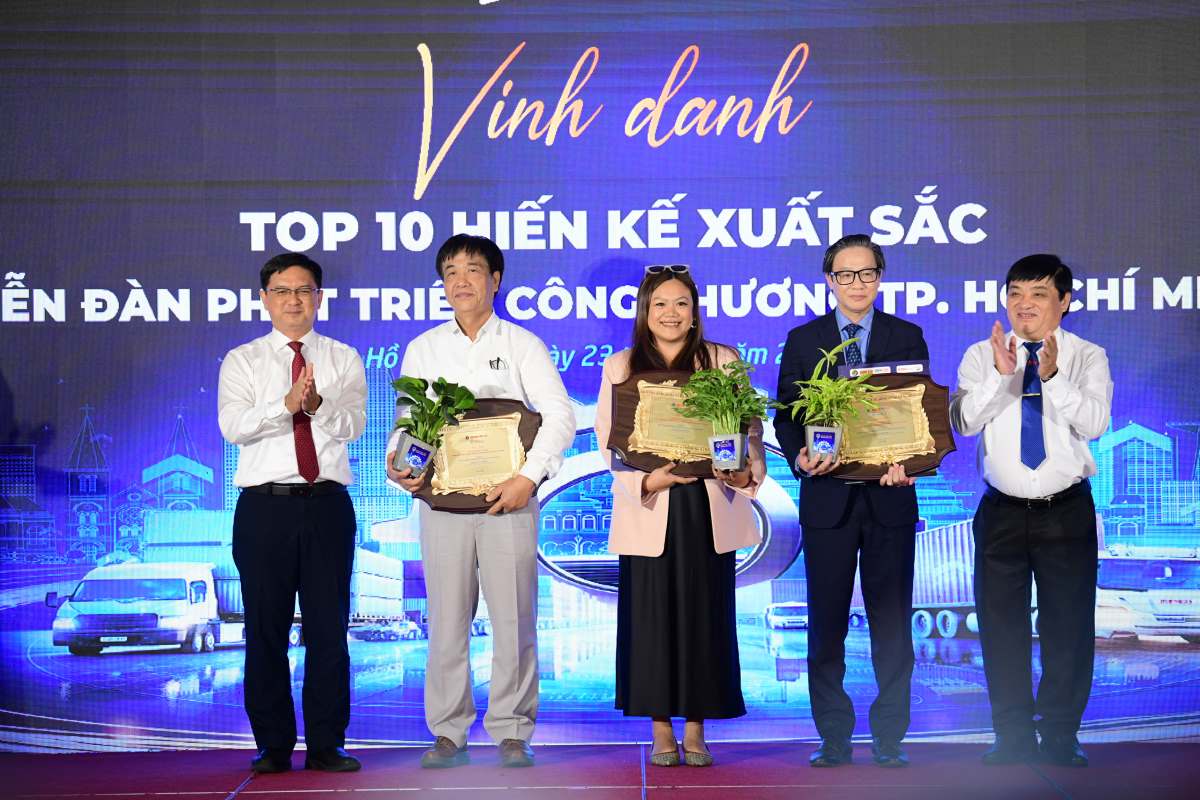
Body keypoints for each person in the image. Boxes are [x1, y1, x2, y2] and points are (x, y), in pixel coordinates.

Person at [386, 234, 574, 769]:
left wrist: (530, 477)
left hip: (507, 501)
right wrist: (399, 460)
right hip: (441, 504)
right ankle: (448, 732)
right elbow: (407, 420)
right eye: (450, 271)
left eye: (473, 269)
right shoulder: (424, 347)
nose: (461, 280)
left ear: (496, 279)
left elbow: (559, 416)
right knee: (445, 619)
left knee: (514, 618)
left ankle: (513, 729)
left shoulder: (522, 344)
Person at [594, 264, 765, 767]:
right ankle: (660, 730)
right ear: (645, 312)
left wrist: (740, 471)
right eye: (660, 304)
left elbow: (749, 430)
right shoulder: (621, 367)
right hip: (650, 503)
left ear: (695, 313)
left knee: (703, 618)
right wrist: (647, 480)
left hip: (709, 503)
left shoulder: (723, 361)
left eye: (681, 304)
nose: (671, 313)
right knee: (650, 623)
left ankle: (696, 727)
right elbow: (610, 442)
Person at [774, 234, 929, 769]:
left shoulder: (907, 336)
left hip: (890, 501)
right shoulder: (803, 339)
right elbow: (785, 417)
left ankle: (890, 737)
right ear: (829, 281)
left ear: (880, 277)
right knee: (827, 627)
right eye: (845, 275)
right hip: (828, 501)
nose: (856, 284)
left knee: (891, 625)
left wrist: (908, 460)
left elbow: (914, 413)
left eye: (866, 274)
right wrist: (798, 457)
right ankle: (834, 737)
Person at [950, 254, 1111, 767]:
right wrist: (1003, 377)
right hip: (1000, 512)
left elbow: (1095, 423)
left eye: (1039, 294)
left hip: (1065, 511)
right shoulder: (982, 354)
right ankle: (1013, 735)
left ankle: (1061, 735)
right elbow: (966, 424)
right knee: (1001, 629)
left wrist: (1053, 376)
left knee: (1068, 627)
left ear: (1064, 301)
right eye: (1016, 293)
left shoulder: (1088, 356)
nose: (1025, 304)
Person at [218, 253, 367, 774]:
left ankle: (327, 743)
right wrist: (285, 405)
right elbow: (234, 427)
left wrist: (318, 404)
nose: (293, 300)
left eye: (304, 290)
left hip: (326, 506)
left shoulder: (343, 357)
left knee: (329, 629)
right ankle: (273, 744)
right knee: (265, 629)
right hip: (264, 509)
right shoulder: (242, 360)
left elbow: (352, 427)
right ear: (265, 299)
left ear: (319, 298)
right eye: (282, 291)